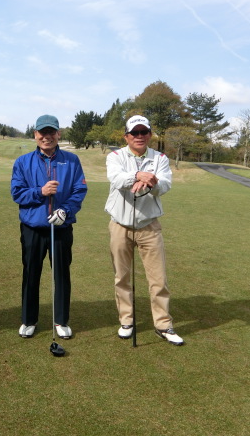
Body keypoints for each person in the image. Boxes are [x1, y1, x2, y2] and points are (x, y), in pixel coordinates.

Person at [105, 115, 184, 345]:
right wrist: (138, 175)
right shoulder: (115, 156)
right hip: (120, 224)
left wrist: (152, 181)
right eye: (134, 133)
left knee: (158, 278)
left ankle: (163, 324)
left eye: (143, 132)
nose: (139, 136)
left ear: (149, 135)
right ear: (126, 136)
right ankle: (126, 321)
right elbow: (117, 179)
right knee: (122, 277)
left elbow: (165, 185)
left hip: (149, 225)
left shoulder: (160, 158)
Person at [11, 115, 87, 339]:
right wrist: (40, 192)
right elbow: (17, 193)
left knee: (61, 274)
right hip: (32, 227)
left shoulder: (71, 160)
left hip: (61, 227)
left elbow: (79, 190)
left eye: (51, 132)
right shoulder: (23, 162)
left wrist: (65, 211)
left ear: (58, 134)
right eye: (42, 132)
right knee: (31, 273)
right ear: (35, 134)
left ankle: (61, 320)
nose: (47, 137)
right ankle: (29, 320)